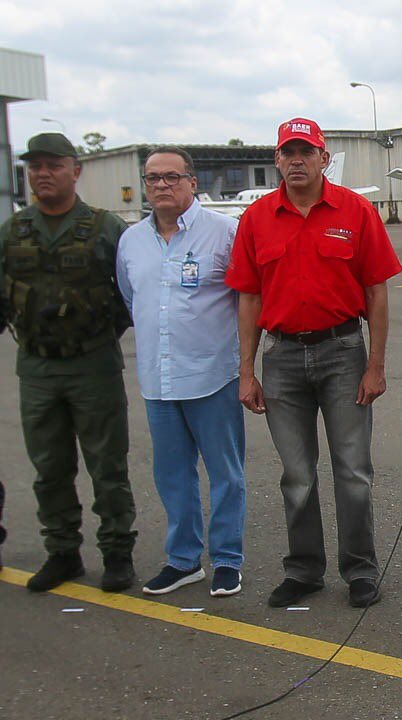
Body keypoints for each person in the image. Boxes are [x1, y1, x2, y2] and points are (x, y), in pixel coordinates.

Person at [226, 117, 402, 608]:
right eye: (288, 153)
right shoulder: (257, 219)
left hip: (344, 352)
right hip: (281, 359)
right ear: (277, 160)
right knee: (297, 474)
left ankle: (360, 571)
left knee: (353, 471)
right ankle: (304, 570)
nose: (297, 161)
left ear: (324, 158)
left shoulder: (356, 211)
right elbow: (248, 298)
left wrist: (377, 364)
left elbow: (376, 292)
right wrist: (247, 371)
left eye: (307, 152)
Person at [0, 133, 136, 593]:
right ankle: (62, 552)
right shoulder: (13, 230)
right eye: (34, 166)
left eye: (53, 165)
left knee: (107, 467)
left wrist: (101, 336)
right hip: (36, 368)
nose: (43, 173)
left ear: (74, 170)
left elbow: (130, 294)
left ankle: (118, 552)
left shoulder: (104, 227)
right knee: (50, 467)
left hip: (93, 364)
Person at [116, 146, 246, 597]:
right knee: (172, 475)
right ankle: (184, 560)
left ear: (193, 181)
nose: (162, 185)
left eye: (172, 177)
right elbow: (132, 299)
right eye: (153, 178)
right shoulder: (131, 240)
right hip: (159, 378)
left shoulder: (225, 233)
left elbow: (248, 297)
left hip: (213, 375)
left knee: (226, 472)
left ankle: (227, 558)